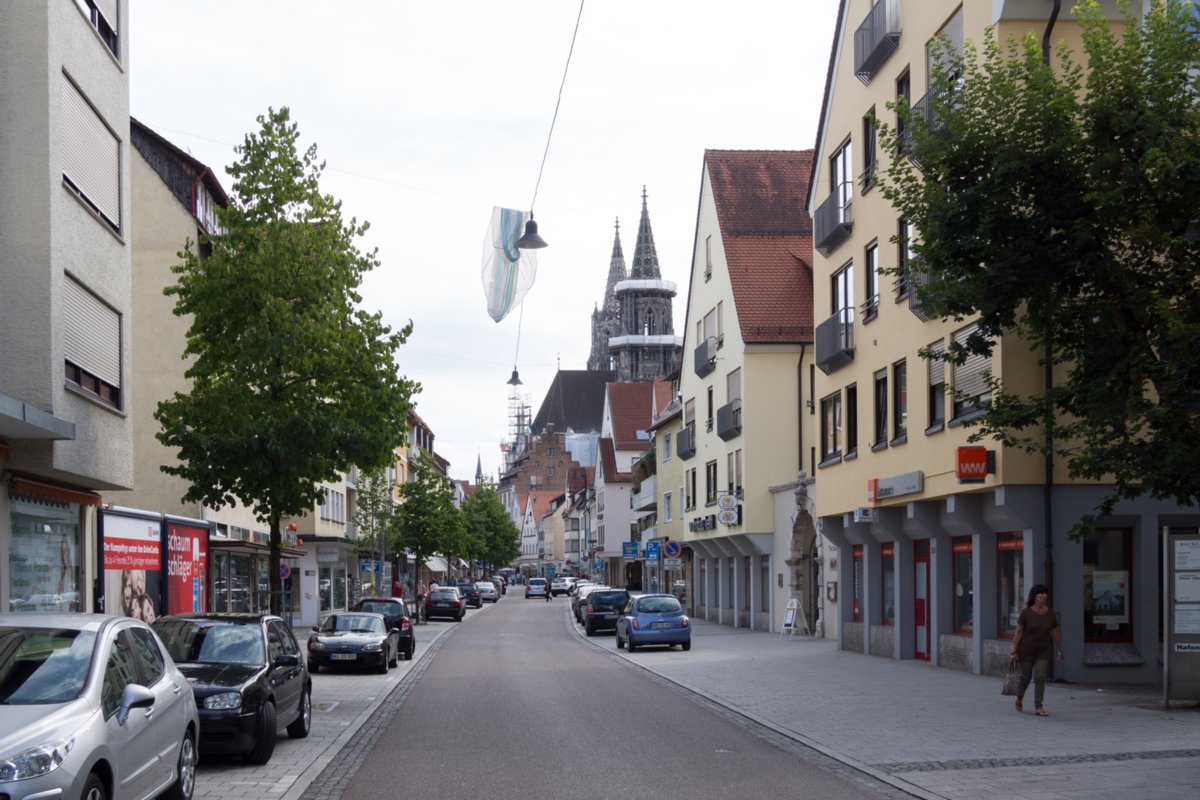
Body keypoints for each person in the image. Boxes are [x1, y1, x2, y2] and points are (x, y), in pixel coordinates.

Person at [1009, 583, 1064, 716]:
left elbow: (1055, 633)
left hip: (1043, 651)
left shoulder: (1050, 613)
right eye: (1041, 593)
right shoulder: (1026, 613)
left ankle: (1039, 707)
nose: (1044, 596)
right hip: (1026, 650)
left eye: (1045, 593)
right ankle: (1019, 697)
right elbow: (1019, 632)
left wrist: (1061, 650)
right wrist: (1014, 651)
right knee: (1026, 678)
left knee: (1040, 676)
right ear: (1034, 596)